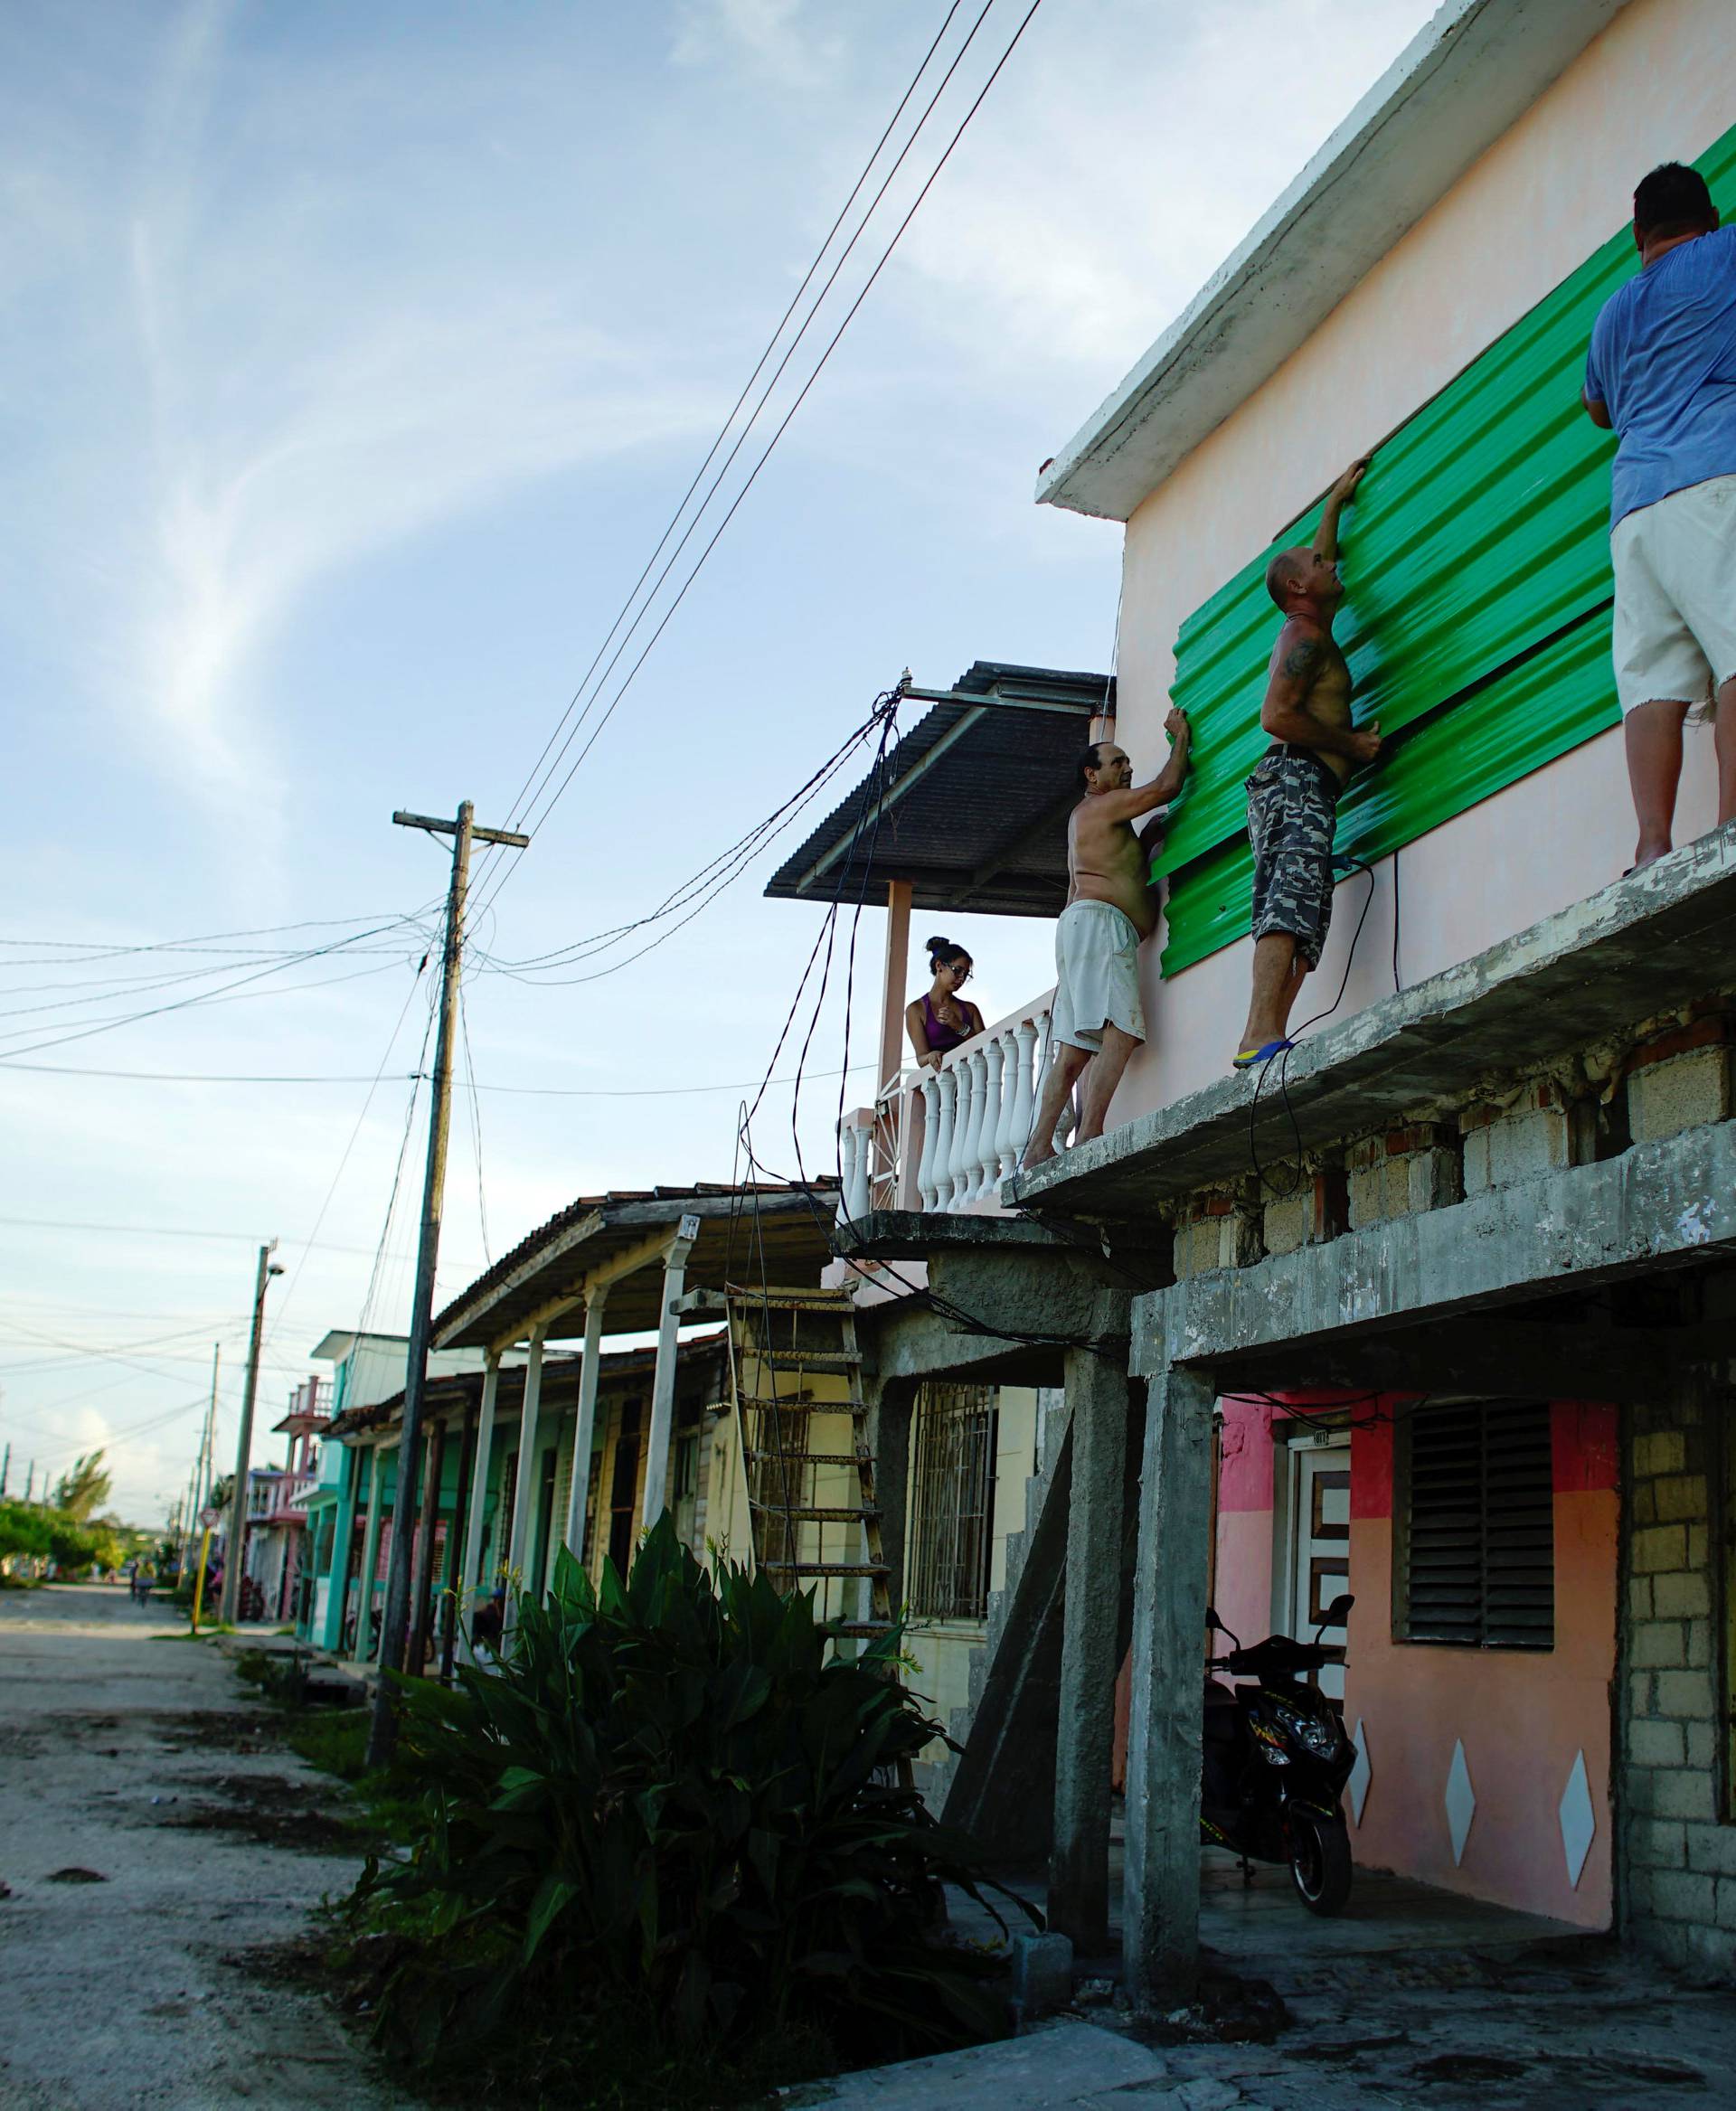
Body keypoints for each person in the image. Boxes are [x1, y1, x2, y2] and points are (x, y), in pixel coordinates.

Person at [1583, 161, 1736, 871]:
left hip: (1634, 513)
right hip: (1714, 480)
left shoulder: (1612, 312)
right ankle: (1731, 828)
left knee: (1651, 681)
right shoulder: (1726, 251)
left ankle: (1651, 847)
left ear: (1639, 235)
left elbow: (1598, 407)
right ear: (1707, 216)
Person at [1235, 460, 1382, 1070]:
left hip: (1303, 786)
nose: (1331, 563)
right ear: (1299, 588)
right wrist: (1352, 746)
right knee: (1291, 903)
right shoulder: (1305, 638)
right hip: (1298, 778)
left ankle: (1267, 1035)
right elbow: (1276, 716)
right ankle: (1258, 1034)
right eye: (1320, 565)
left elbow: (1316, 564)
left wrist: (1334, 506)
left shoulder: (1308, 622)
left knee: (1305, 910)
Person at [1021, 713, 1192, 1168]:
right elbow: (1167, 787)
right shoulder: (1100, 806)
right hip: (1099, 926)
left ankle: (1039, 1147)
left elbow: (1117, 866)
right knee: (1122, 1028)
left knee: (1077, 1047)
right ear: (1091, 775)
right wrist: (1181, 739)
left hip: (1080, 926)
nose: (1127, 769)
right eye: (1117, 763)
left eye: (1128, 762)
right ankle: (1090, 1130)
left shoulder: (1091, 819)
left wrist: (1149, 839)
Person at [905, 937, 986, 1071]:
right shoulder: (916, 1009)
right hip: (940, 1084)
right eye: (957, 970)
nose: (961, 978)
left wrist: (960, 1027)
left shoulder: (970, 1009)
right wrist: (931, 1056)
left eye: (966, 974)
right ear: (939, 966)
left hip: (971, 1082)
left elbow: (986, 1047)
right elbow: (921, 1058)